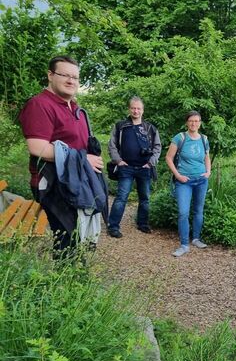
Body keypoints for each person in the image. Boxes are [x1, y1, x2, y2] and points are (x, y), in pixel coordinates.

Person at [19, 55, 105, 254]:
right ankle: (68, 280)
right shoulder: (40, 105)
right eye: (64, 75)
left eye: (75, 77)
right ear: (50, 75)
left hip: (75, 182)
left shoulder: (74, 107)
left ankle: (77, 279)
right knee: (68, 244)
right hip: (54, 184)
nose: (71, 81)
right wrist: (83, 160)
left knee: (80, 239)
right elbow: (37, 148)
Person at [107, 96, 161, 238]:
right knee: (121, 197)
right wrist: (118, 161)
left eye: (138, 108)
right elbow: (112, 145)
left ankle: (142, 224)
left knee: (145, 198)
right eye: (133, 108)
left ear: (143, 110)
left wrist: (150, 163)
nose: (136, 111)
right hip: (126, 167)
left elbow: (157, 147)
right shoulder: (120, 126)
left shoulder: (150, 128)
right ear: (129, 109)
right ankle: (113, 226)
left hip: (145, 168)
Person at [165, 111, 211, 257]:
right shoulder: (180, 138)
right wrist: (178, 175)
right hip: (184, 181)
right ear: (187, 122)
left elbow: (206, 157)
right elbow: (168, 158)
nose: (194, 123)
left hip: (201, 180)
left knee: (198, 210)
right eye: (191, 121)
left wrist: (208, 171)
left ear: (200, 123)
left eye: (197, 121)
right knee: (183, 212)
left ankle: (196, 238)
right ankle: (184, 245)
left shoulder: (204, 139)